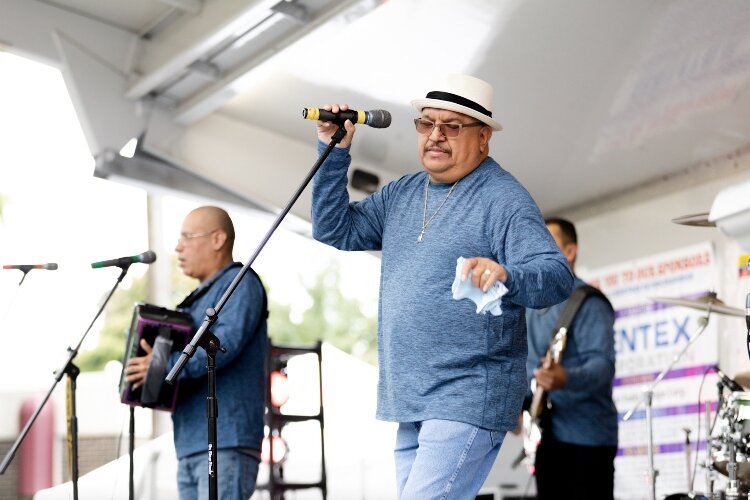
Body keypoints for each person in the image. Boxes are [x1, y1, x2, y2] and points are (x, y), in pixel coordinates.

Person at [310, 74, 574, 499]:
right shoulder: (404, 192)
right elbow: (334, 228)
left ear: (483, 137)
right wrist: (333, 151)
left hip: (467, 395)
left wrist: (508, 275)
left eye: (451, 126)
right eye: (426, 123)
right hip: (410, 396)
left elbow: (556, 275)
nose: (435, 136)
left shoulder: (503, 198)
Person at [125, 205, 268, 500]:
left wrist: (161, 365)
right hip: (190, 443)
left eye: (187, 237)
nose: (178, 247)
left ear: (218, 239)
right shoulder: (197, 297)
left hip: (226, 440)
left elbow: (223, 345)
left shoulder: (240, 283)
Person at [525, 217, 618, 500]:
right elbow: (527, 367)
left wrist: (565, 378)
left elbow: (603, 367)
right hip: (549, 438)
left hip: (588, 440)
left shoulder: (589, 302)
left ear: (569, 252)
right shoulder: (530, 306)